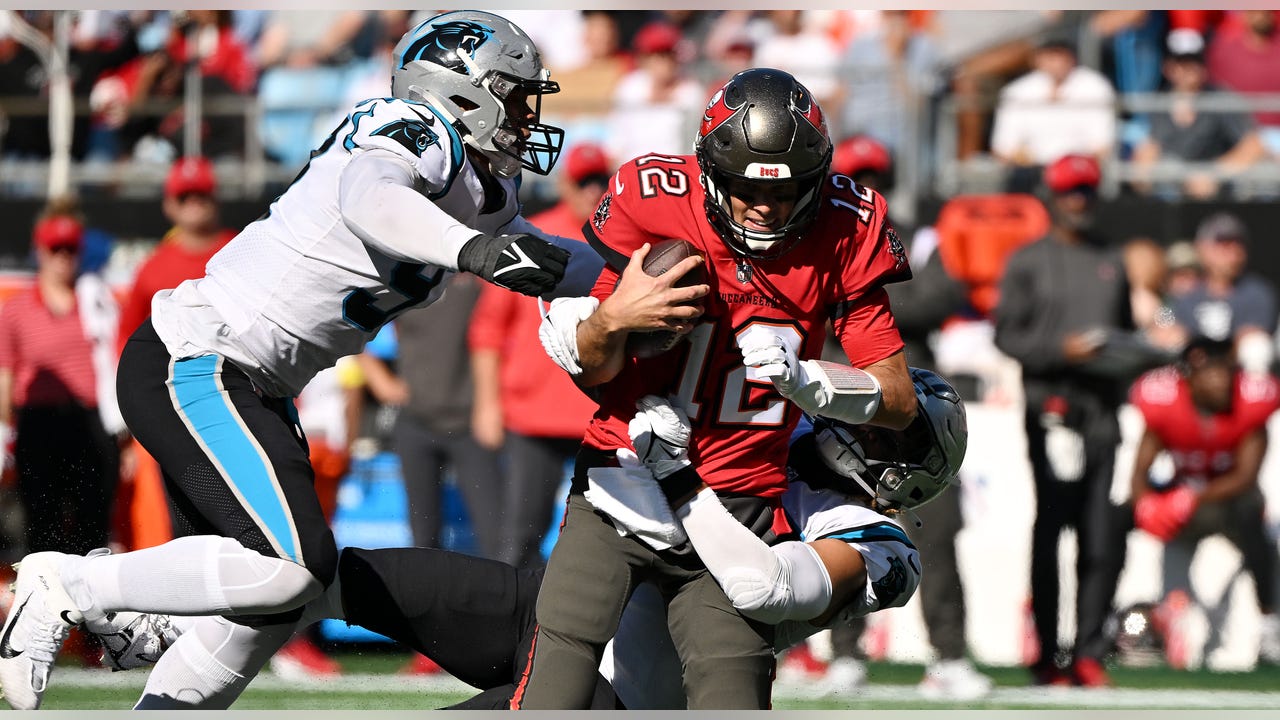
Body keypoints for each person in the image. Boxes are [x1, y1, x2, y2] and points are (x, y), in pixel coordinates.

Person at [0, 10, 603, 711]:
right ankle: (67, 584)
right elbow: (371, 197)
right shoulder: (414, 127)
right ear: (462, 88)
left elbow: (556, 260)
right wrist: (475, 251)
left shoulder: (479, 187)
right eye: (515, 95)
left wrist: (657, 273)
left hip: (253, 385)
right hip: (199, 357)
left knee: (267, 606)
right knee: (290, 569)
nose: (528, 116)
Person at [75, 368, 966, 710]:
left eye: (879, 428)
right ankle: (172, 616)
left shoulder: (880, 551)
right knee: (331, 575)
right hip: (551, 612)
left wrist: (681, 481)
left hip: (610, 699)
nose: (847, 424)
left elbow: (760, 586)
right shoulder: (780, 449)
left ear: (900, 465)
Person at [519, 67, 916, 709]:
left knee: (731, 695)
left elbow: (896, 398)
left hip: (741, 502)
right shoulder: (653, 199)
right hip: (624, 476)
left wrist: (812, 382)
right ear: (709, 172)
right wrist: (614, 319)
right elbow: (594, 371)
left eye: (786, 190)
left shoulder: (847, 227)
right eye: (744, 188)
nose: (765, 206)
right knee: (555, 689)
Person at [819, 135, 992, 700]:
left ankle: (950, 656)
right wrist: (876, 298)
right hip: (842, 406)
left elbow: (942, 296)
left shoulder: (919, 235)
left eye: (876, 177)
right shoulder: (821, 237)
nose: (868, 187)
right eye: (858, 176)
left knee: (935, 532)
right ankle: (845, 653)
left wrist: (858, 299)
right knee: (840, 525)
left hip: (912, 408)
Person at [994, 153, 1136, 688]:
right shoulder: (1028, 260)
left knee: (1100, 535)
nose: (1080, 200)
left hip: (1101, 413)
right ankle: (1047, 654)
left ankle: (1090, 652)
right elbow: (1006, 335)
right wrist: (1061, 350)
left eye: (1087, 191)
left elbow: (1125, 331)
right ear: (1053, 197)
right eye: (1071, 191)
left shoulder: (1112, 259)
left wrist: (1136, 353)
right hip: (1050, 412)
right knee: (1051, 530)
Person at [469, 142, 609, 569]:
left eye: (600, 182)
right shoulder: (535, 237)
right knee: (521, 535)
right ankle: (515, 612)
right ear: (565, 185)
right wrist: (486, 404)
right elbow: (488, 330)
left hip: (600, 415)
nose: (592, 191)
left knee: (607, 540)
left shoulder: (622, 240)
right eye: (584, 182)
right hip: (534, 414)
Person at [1129, 336, 1280, 666]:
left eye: (1224, 372)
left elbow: (1245, 477)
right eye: (1210, 373)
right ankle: (1120, 621)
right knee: (1114, 517)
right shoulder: (1166, 407)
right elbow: (1138, 473)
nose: (1220, 381)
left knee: (1253, 520)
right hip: (1181, 500)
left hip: (1227, 503)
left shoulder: (1249, 406)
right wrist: (1146, 503)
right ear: (1188, 379)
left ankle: (1270, 625)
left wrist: (1190, 497)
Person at [113, 155, 236, 554]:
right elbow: (126, 342)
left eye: (201, 195)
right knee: (184, 526)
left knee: (241, 524)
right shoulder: (153, 268)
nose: (194, 204)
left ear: (215, 198)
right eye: (185, 197)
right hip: (175, 411)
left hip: (237, 402)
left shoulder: (240, 252)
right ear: (170, 205)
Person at [0, 209, 120, 560]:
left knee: (92, 522)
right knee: (42, 522)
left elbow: (112, 363)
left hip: (90, 422)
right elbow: (6, 374)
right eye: (56, 248)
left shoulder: (96, 302)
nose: (63, 257)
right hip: (38, 423)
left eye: (70, 248)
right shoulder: (16, 309)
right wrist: (7, 429)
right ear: (40, 251)